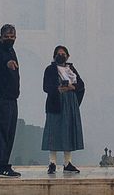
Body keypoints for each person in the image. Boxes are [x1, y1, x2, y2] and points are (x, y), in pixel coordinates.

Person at [42, 45, 85, 174]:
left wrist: (72, 87)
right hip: (56, 102)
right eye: (59, 53)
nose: (61, 55)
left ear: (68, 56)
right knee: (54, 132)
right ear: (54, 56)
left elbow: (81, 85)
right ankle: (52, 163)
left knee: (68, 131)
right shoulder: (50, 69)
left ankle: (67, 162)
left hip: (70, 103)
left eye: (64, 53)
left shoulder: (71, 69)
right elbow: (46, 86)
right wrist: (58, 89)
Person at [0, 23, 21, 178]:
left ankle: (3, 164)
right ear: (0, 37)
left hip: (11, 98)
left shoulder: (10, 50)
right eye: (7, 37)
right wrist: (6, 63)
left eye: (12, 37)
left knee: (9, 133)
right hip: (0, 98)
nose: (10, 39)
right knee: (1, 132)